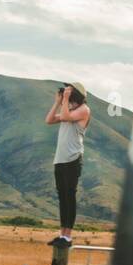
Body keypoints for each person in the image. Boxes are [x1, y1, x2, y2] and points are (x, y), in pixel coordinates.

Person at [44, 81, 90, 246]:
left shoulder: (84, 110)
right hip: (60, 159)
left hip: (72, 159)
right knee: (63, 197)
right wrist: (58, 101)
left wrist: (65, 99)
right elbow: (49, 120)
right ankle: (62, 234)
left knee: (69, 196)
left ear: (76, 93)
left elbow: (64, 117)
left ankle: (68, 236)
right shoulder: (68, 110)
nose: (66, 92)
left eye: (69, 90)